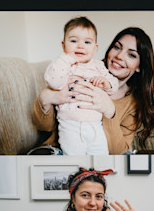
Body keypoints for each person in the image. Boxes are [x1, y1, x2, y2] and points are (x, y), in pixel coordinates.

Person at [33, 27, 154, 154]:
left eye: (131, 55)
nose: (119, 56)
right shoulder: (81, 70)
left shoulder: (133, 103)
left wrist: (110, 111)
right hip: (61, 148)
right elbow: (44, 127)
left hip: (101, 155)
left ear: (139, 67)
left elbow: (118, 152)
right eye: (117, 47)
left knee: (127, 156)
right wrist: (46, 98)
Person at [43, 16, 119, 155]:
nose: (80, 46)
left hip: (96, 125)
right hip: (70, 124)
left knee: (101, 159)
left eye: (87, 42)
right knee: (74, 160)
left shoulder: (98, 66)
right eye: (73, 41)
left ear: (95, 48)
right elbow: (53, 81)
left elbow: (114, 85)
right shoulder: (64, 65)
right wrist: (66, 59)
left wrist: (105, 83)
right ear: (63, 45)